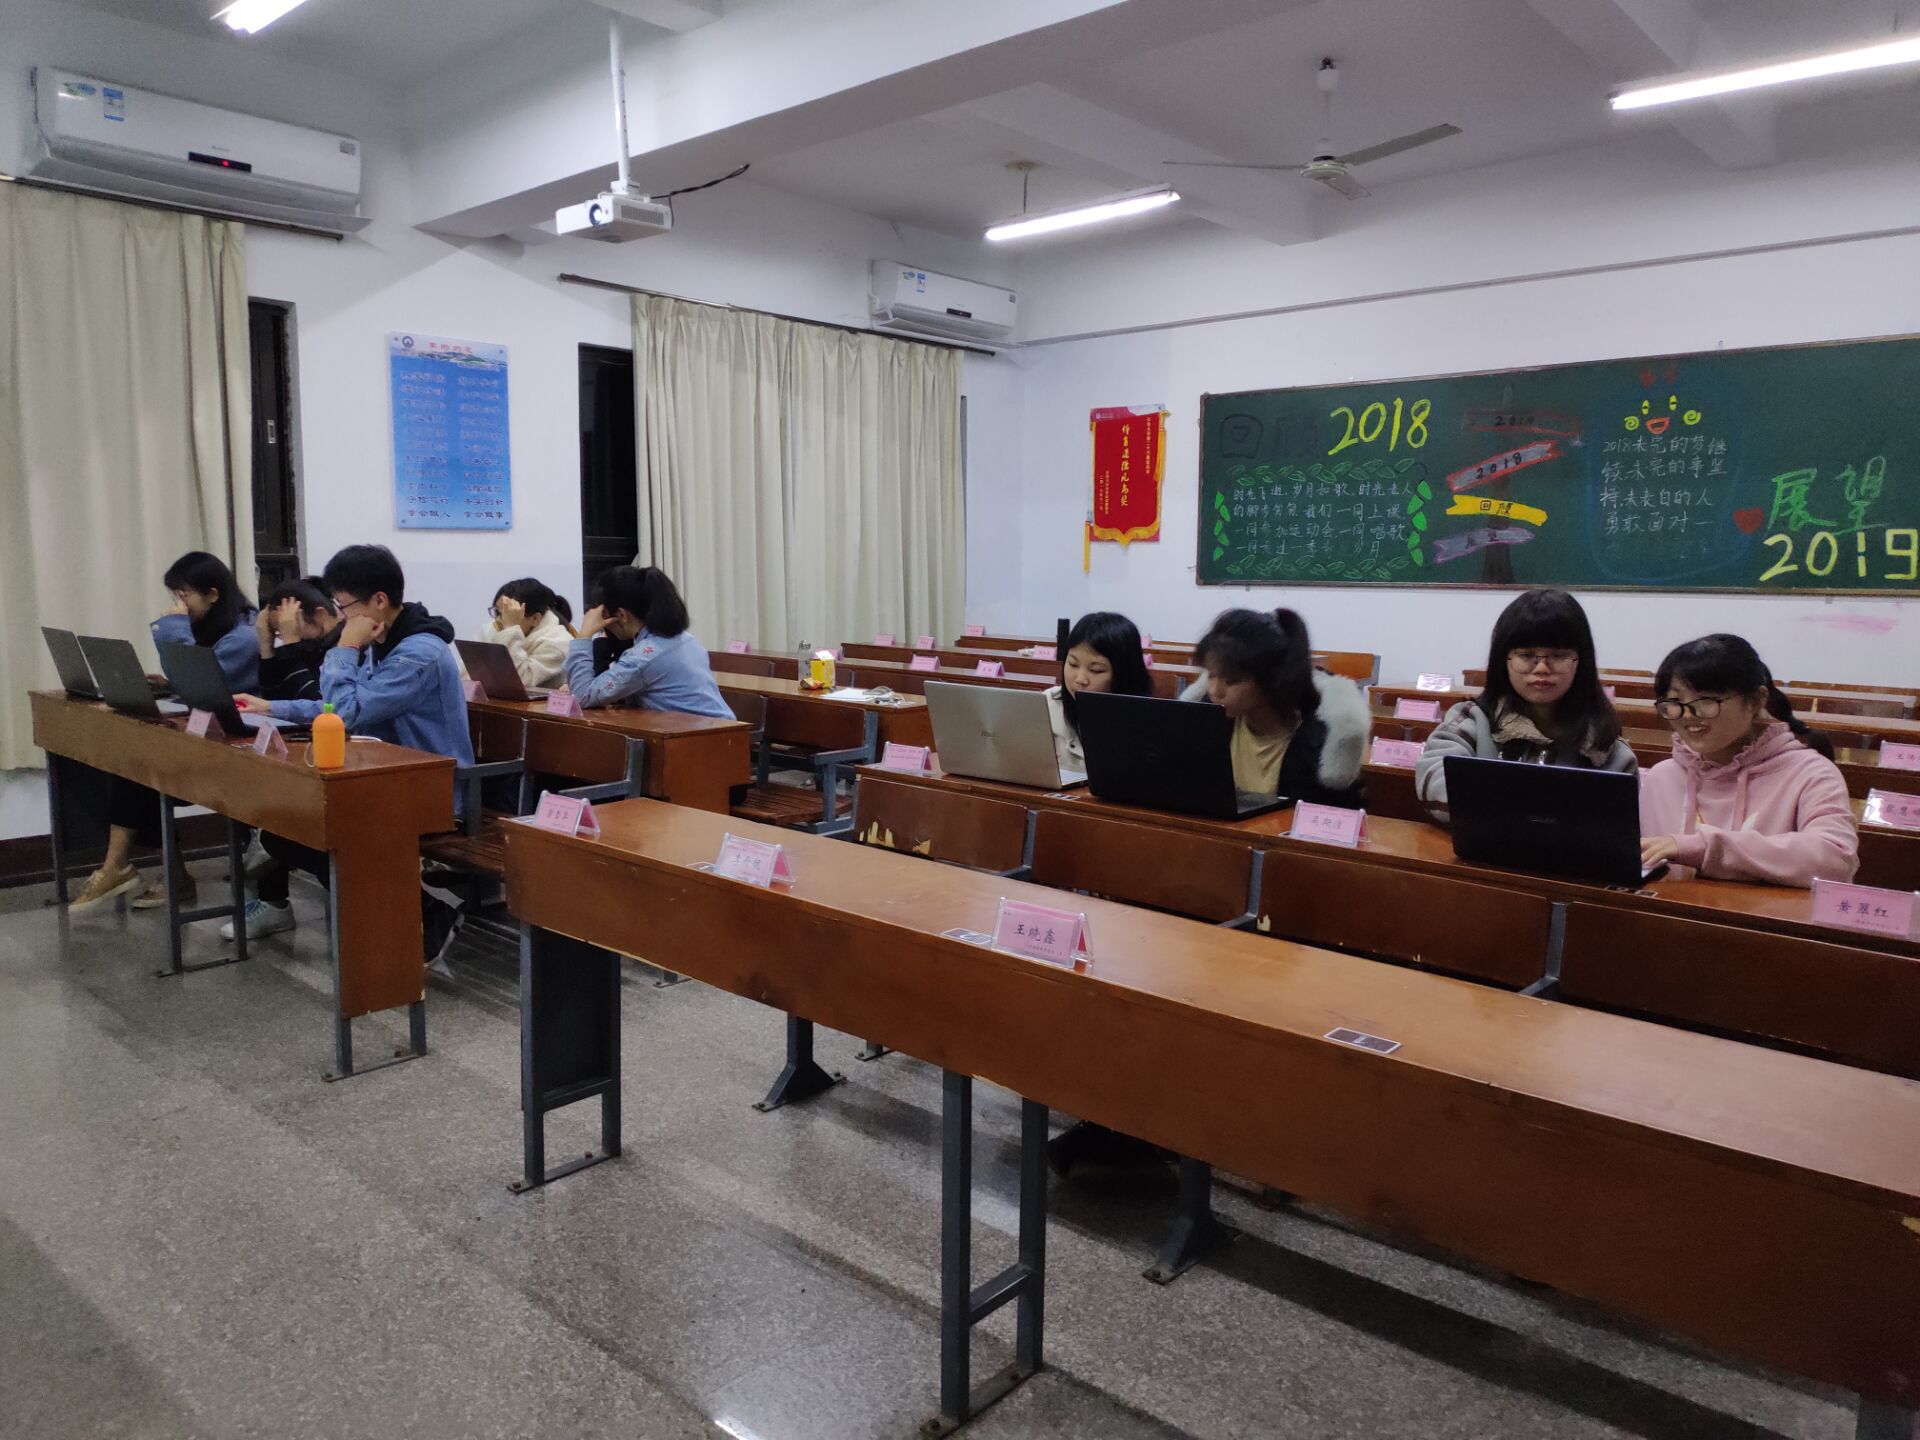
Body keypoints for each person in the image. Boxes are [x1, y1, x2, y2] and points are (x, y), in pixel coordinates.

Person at [235, 545, 475, 962]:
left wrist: (344, 648)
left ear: (379, 600)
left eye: (344, 607)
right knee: (284, 830)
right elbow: (337, 705)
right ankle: (418, 910)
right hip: (387, 777)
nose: (342, 617)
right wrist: (271, 707)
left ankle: (422, 912)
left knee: (319, 829)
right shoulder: (385, 641)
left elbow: (347, 713)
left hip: (435, 789)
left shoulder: (419, 652)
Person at [68, 552, 258, 913]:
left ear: (213, 594)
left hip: (235, 751)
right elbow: (198, 684)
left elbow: (204, 685)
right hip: (204, 739)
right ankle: (144, 871)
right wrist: (167, 685)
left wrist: (172, 630)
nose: (179, 603)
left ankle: (126, 869)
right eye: (176, 595)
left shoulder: (243, 637)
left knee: (142, 771)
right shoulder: (210, 628)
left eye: (185, 594)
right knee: (133, 766)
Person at [1639, 634, 1858, 886]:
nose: (1688, 715)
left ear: (1755, 701)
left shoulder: (1811, 773)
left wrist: (1703, 848)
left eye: (1706, 700)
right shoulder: (1661, 777)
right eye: (1675, 702)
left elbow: (1835, 860)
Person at [1415, 589, 1635, 822]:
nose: (1541, 668)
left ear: (1581, 662)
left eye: (1558, 656)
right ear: (1504, 660)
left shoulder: (1608, 748)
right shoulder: (1472, 720)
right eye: (1527, 655)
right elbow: (1434, 780)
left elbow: (1616, 825)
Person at [217, 579, 341, 940]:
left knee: (278, 813)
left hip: (342, 753)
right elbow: (276, 698)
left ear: (320, 615)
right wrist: (267, 648)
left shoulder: (345, 647)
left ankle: (271, 856)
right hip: (307, 747)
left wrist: (291, 644)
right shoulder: (313, 643)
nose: (285, 636)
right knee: (252, 785)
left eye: (289, 627)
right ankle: (272, 901)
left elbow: (320, 702)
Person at [1189, 608, 1369, 808]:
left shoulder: (1321, 742)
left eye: (1232, 680)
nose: (1215, 691)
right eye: (1211, 675)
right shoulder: (1208, 719)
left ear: (1271, 679)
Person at [563, 565, 732, 719]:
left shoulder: (644, 657)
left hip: (700, 738)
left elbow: (582, 696)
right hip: (721, 730)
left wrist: (584, 635)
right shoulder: (684, 639)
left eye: (604, 615)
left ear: (621, 615)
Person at [1045, 612, 1155, 771]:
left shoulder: (1147, 722)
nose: (1080, 679)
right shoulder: (1048, 703)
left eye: (1096, 670)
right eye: (1073, 664)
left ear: (1124, 673)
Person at [475, 577, 571, 689]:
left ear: (534, 618)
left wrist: (510, 629)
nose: (498, 620)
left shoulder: (558, 643)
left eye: (510, 614)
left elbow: (517, 683)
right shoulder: (495, 629)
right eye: (497, 612)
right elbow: (469, 679)